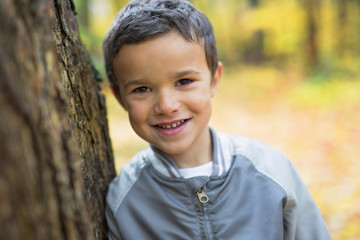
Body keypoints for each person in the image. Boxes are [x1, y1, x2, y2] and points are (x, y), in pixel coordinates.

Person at [103, 0, 331, 239]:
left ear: (214, 80)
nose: (166, 106)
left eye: (184, 82)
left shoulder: (270, 172)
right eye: (142, 89)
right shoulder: (125, 200)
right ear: (120, 97)